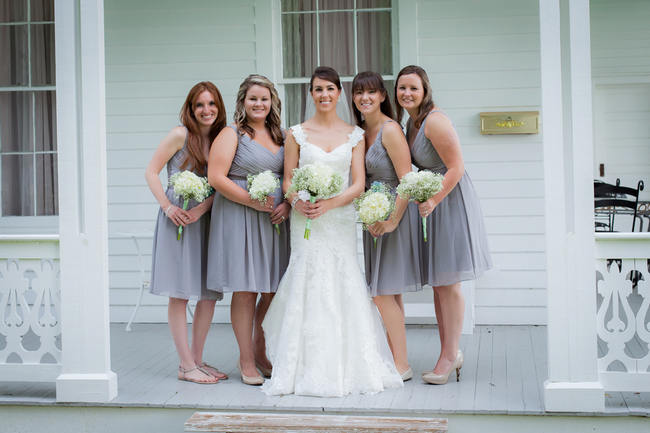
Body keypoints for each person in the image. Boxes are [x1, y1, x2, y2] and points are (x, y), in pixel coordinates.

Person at [261, 66, 403, 397]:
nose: (324, 95)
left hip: (337, 221)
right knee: (307, 280)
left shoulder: (355, 134)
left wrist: (331, 203)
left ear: (339, 93)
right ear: (310, 94)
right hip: (306, 220)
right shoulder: (295, 133)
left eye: (330, 89)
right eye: (318, 89)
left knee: (342, 281)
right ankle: (300, 364)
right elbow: (287, 179)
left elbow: (358, 184)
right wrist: (296, 200)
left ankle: (349, 364)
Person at [395, 65, 492, 384]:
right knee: (439, 282)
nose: (406, 93)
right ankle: (450, 351)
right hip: (431, 204)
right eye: (401, 88)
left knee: (448, 283)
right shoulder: (411, 122)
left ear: (425, 91)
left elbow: (456, 167)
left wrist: (434, 200)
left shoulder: (434, 121)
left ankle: (450, 356)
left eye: (413, 88)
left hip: (449, 201)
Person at [206, 75, 290, 386]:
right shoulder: (232, 135)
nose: (259, 104)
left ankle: (260, 348)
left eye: (264, 99)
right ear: (243, 101)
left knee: (272, 290)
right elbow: (217, 177)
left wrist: (289, 205)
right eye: (253, 98)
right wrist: (251, 202)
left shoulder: (281, 135)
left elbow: (289, 177)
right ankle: (245, 360)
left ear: (272, 103)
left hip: (274, 220)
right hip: (240, 216)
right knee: (246, 289)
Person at [145, 81, 227, 384]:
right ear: (191, 109)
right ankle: (185, 365)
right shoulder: (181, 135)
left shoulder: (222, 138)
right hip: (177, 218)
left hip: (206, 219)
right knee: (180, 294)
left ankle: (196, 360)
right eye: (200, 105)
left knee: (208, 294)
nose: (206, 110)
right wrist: (168, 207)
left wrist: (203, 209)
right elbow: (151, 171)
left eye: (211, 104)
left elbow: (222, 184)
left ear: (219, 107)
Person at [351, 71, 422, 382]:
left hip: (395, 216)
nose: (364, 98)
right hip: (373, 218)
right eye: (358, 93)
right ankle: (398, 360)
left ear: (381, 96)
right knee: (389, 293)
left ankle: (401, 366)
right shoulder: (360, 132)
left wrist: (392, 219)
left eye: (371, 92)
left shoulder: (390, 130)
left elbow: (407, 179)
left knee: (381, 292)